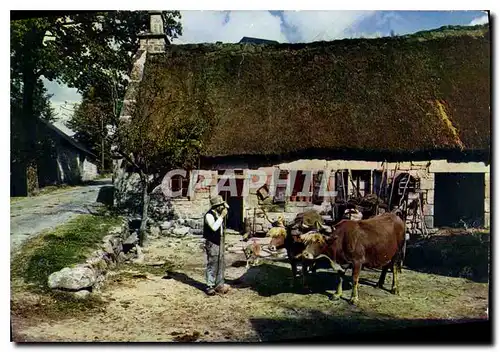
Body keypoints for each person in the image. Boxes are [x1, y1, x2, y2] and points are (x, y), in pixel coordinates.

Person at [203, 195, 231, 296]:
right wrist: (222, 216)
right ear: (216, 206)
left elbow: (226, 209)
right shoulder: (209, 215)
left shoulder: (218, 213)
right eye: (221, 205)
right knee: (213, 263)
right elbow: (214, 227)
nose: (223, 208)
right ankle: (209, 285)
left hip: (220, 240)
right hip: (212, 242)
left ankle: (219, 284)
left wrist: (225, 208)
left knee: (221, 262)